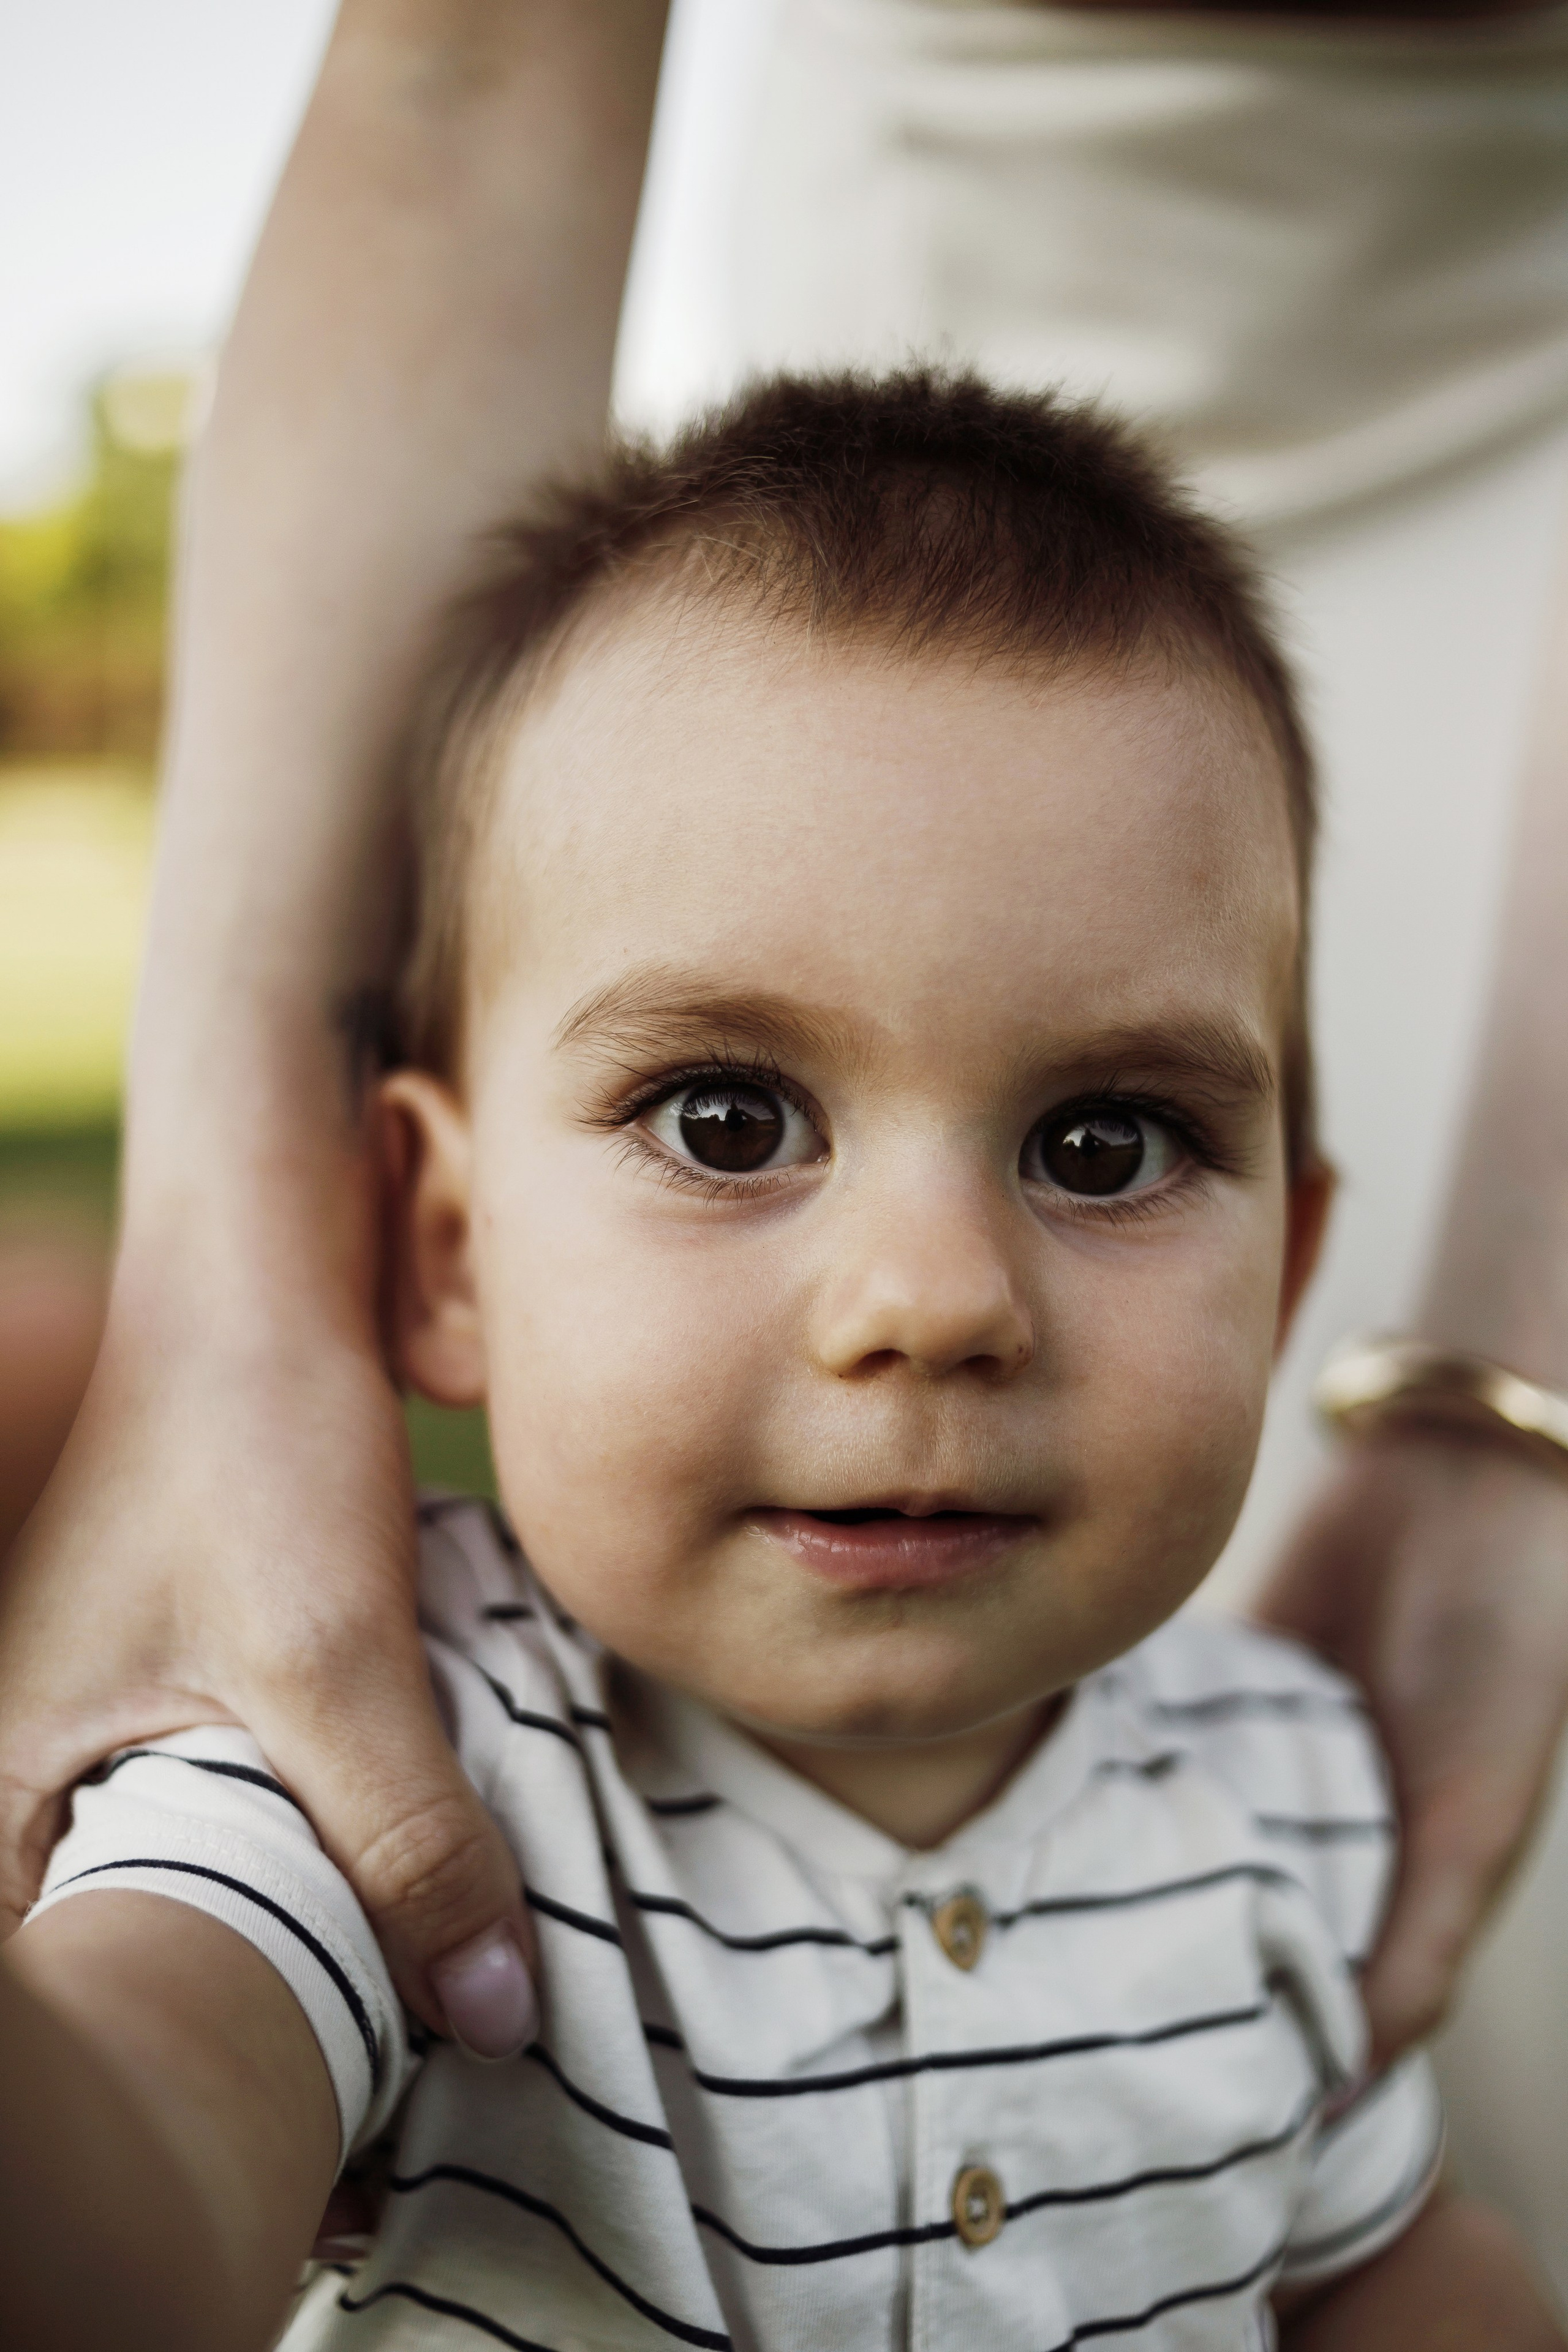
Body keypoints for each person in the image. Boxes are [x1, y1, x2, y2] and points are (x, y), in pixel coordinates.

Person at [4, 0, 1568, 2260]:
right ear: (442, 1243)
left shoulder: (1292, 1798)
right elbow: (132, 2188)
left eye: (1106, 1147)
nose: (934, 1301)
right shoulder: (363, 1753)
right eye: (729, 1118)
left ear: (1298, 1268)